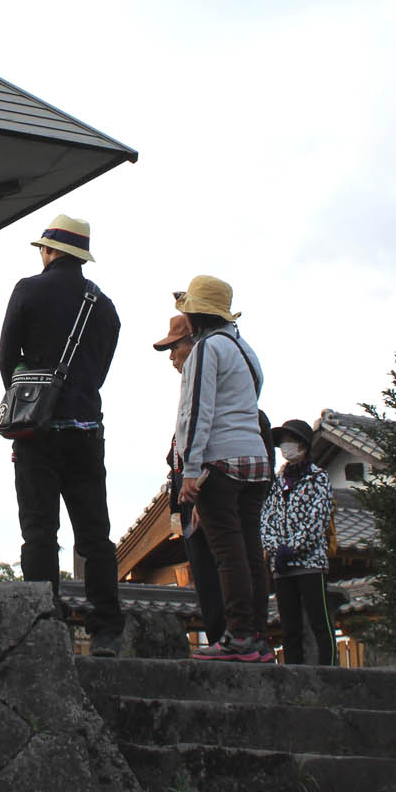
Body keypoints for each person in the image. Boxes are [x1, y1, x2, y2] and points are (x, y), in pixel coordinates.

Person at [0, 215, 124, 654]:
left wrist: (25, 404)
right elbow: (101, 373)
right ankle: (106, 628)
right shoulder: (105, 307)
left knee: (39, 531)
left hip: (38, 431)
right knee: (94, 534)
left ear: (50, 252)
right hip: (87, 428)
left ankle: (45, 625)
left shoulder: (28, 290)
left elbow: (6, 356)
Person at [170, 274, 274, 663]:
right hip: (256, 462)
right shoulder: (246, 351)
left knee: (227, 554)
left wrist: (191, 469)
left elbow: (196, 409)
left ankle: (238, 636)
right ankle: (258, 636)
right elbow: (254, 400)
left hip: (219, 462)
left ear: (195, 316)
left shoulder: (205, 349)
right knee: (249, 551)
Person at [156, 313, 225, 646]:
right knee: (205, 582)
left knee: (222, 576)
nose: (172, 357)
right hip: (188, 501)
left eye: (176, 347)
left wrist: (205, 494)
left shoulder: (215, 386)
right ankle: (217, 643)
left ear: (195, 343)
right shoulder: (186, 397)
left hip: (210, 492)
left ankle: (232, 643)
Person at [259, 419, 337, 665]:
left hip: (311, 563)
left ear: (303, 445)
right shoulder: (277, 482)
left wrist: (292, 547)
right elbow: (265, 520)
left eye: (290, 441)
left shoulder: (318, 479)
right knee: (289, 629)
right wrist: (275, 549)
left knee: (320, 623)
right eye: (282, 442)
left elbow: (318, 519)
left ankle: (330, 672)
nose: (285, 446)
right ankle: (293, 674)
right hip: (282, 569)